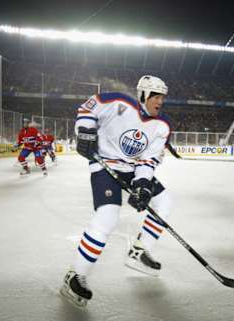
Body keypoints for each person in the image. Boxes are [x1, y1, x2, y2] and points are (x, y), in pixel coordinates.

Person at [60, 75, 172, 308]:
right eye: (156, 96)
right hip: (104, 165)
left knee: (164, 202)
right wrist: (85, 131)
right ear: (143, 95)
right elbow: (87, 108)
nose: (160, 102)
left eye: (163, 97)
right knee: (108, 216)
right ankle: (74, 275)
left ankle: (140, 251)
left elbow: (148, 160)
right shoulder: (119, 102)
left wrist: (142, 185)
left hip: (132, 170)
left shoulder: (161, 126)